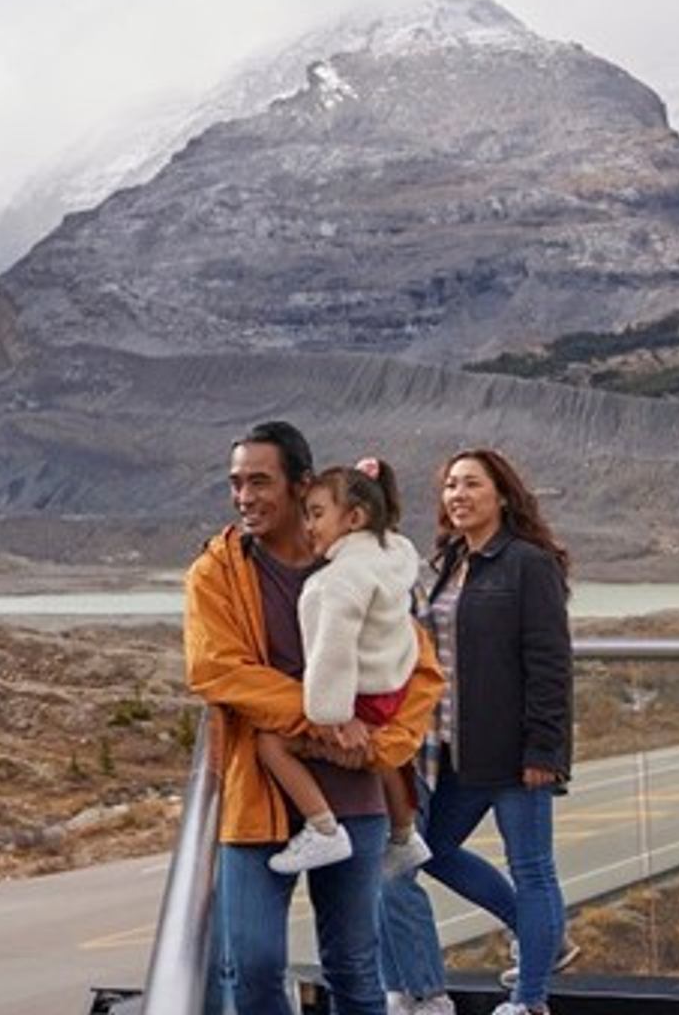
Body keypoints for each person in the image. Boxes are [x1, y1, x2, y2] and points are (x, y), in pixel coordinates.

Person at [184, 422, 443, 1015]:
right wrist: (320, 720)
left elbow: (419, 669)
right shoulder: (217, 572)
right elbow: (215, 669)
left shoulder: (357, 564)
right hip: (259, 795)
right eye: (235, 483)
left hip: (356, 790)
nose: (244, 496)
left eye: (259, 481)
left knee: (354, 963)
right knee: (251, 965)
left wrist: (383, 746)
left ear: (302, 486)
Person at [381, 448, 576, 1015]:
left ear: (502, 495)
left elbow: (549, 663)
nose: (458, 495)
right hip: (453, 750)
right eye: (449, 486)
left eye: (471, 485)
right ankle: (540, 932)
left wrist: (545, 748)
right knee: (430, 850)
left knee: (533, 867)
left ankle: (529, 999)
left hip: (516, 751)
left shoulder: (527, 563)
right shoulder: (446, 562)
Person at [257, 458, 430, 878]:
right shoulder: (395, 554)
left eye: (317, 514)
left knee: (271, 744)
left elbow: (331, 655)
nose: (309, 527)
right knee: (384, 754)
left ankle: (323, 828)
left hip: (363, 700)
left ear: (354, 518)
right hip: (392, 691)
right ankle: (405, 834)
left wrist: (332, 716)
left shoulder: (335, 581)